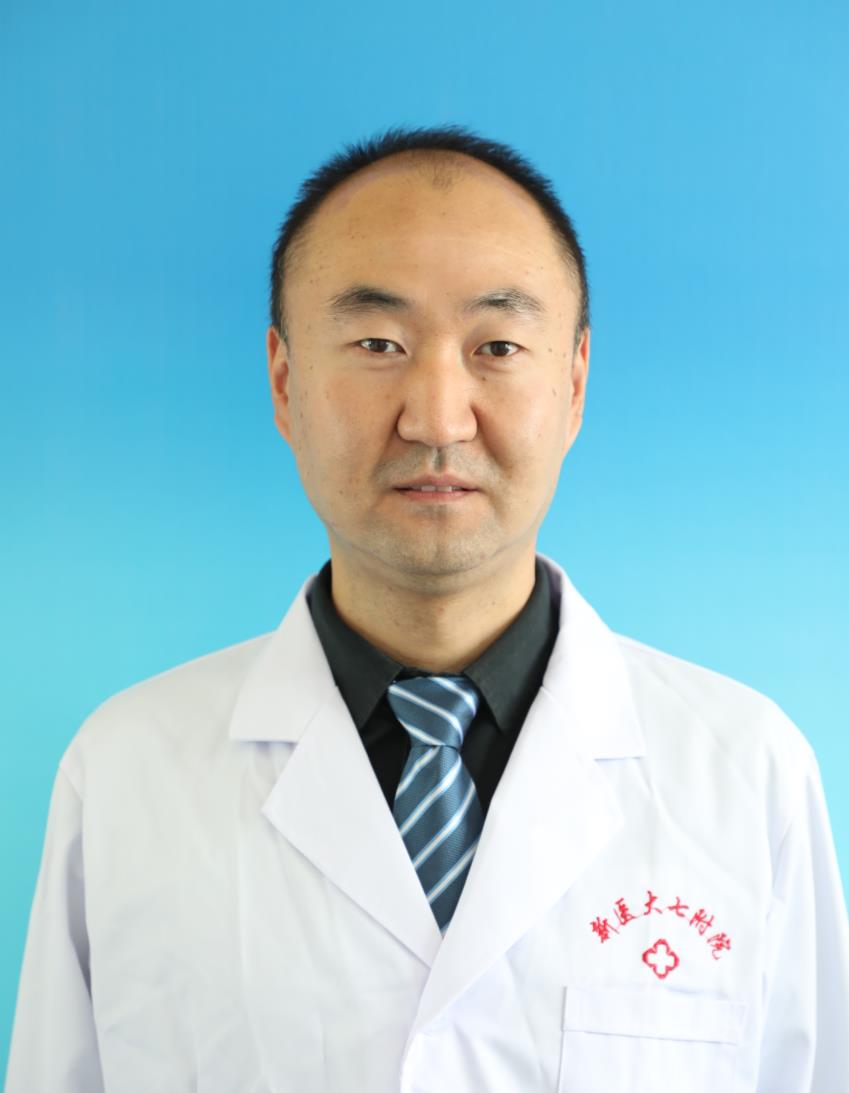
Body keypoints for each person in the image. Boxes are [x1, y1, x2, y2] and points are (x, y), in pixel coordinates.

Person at [6, 123, 848, 1093]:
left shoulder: (745, 771)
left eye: (497, 345)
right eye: (379, 344)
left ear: (574, 382)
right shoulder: (126, 772)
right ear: (283, 381)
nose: (438, 417)